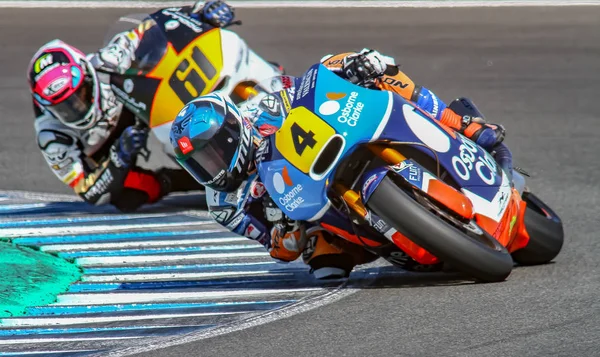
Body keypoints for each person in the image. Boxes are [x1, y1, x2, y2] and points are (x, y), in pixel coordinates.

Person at [168, 49, 511, 279]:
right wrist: (284, 234)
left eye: (210, 154)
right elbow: (277, 248)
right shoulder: (224, 204)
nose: (210, 167)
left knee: (374, 71)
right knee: (324, 267)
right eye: (198, 163)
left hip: (336, 141)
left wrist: (350, 67)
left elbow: (309, 83)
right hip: (311, 207)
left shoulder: (263, 106)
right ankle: (392, 236)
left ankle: (461, 123)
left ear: (232, 131)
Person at [27, 1, 237, 212]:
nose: (76, 108)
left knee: (161, 61)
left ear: (87, 73)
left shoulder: (107, 60)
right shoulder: (52, 138)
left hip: (136, 105)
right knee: (125, 197)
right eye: (63, 107)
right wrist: (119, 157)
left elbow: (152, 28)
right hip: (111, 151)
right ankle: (181, 180)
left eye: (79, 95)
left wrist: (199, 14)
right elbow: (88, 191)